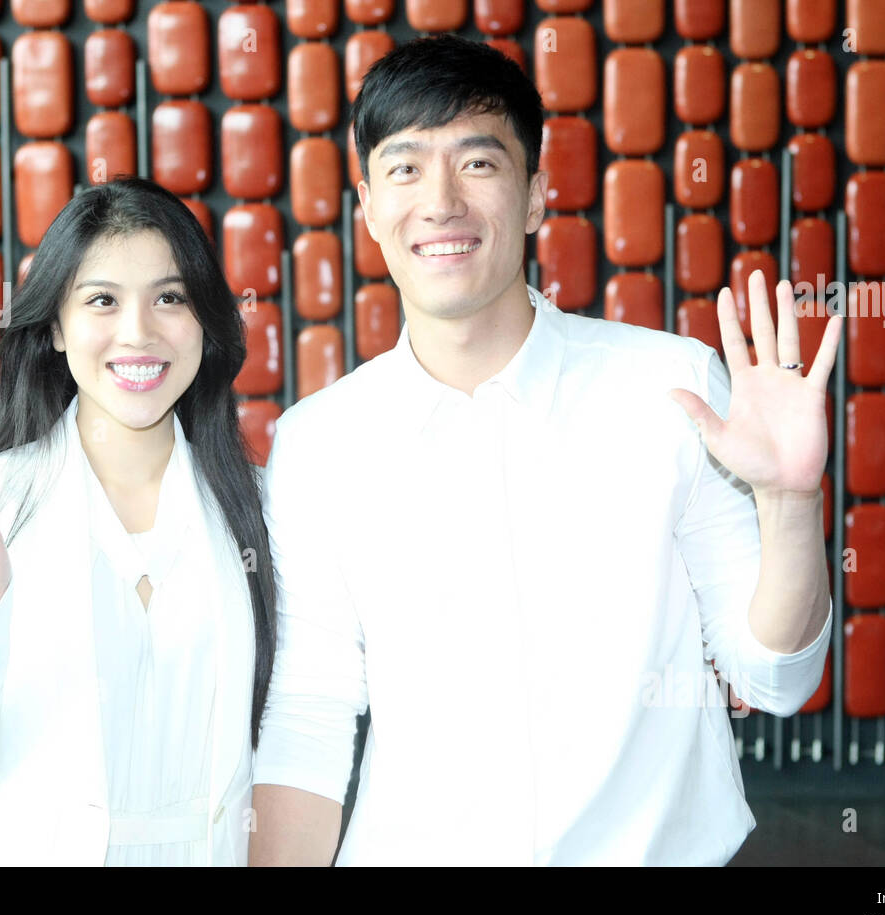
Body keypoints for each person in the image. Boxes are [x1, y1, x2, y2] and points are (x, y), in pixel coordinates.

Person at [249, 35, 839, 865]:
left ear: (533, 197)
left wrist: (790, 504)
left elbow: (776, 680)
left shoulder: (670, 389)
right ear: (368, 208)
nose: (441, 201)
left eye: (478, 163)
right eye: (406, 168)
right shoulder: (319, 443)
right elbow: (309, 712)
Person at [0, 177, 275, 865]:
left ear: (204, 320)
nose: (139, 333)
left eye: (169, 298)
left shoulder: (262, 506)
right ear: (58, 327)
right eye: (102, 300)